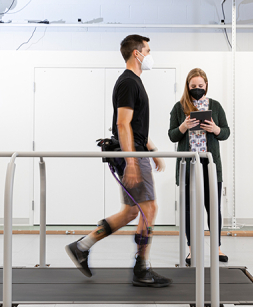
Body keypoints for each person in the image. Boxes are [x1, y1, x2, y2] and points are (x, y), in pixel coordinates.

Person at [65, 34, 172, 288]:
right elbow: (122, 124)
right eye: (147, 50)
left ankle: (81, 246)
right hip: (131, 155)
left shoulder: (134, 82)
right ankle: (142, 269)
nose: (150, 55)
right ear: (137, 53)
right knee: (149, 210)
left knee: (132, 211)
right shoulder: (128, 82)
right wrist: (132, 162)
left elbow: (135, 126)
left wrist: (152, 149)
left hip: (137, 151)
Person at [168, 68, 230, 265]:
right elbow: (172, 135)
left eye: (200, 86)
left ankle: (217, 248)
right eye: (193, 86)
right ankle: (191, 250)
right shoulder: (179, 107)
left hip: (210, 164)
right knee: (188, 209)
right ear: (188, 86)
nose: (197, 89)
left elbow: (226, 132)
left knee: (213, 208)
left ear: (206, 86)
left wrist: (215, 129)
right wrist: (183, 127)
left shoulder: (216, 106)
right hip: (188, 164)